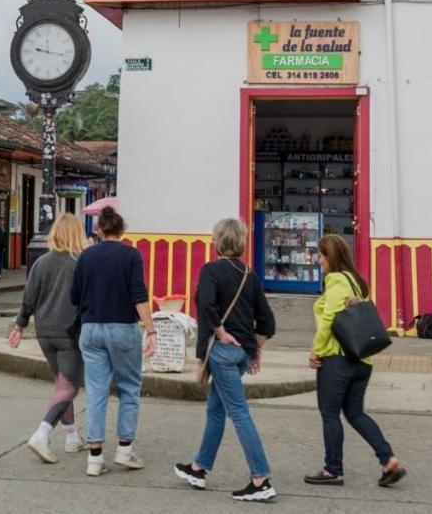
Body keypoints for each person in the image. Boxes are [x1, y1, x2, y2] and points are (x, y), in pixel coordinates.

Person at [175, 218, 277, 503]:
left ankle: (261, 478)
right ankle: (199, 468)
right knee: (216, 410)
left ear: (217, 241)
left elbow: (206, 305)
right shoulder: (249, 273)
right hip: (243, 352)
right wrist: (256, 350)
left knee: (239, 412)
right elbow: (267, 321)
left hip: (222, 353)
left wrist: (220, 331)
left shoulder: (210, 271)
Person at [306, 234, 405, 488]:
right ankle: (388, 459)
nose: (319, 260)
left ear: (331, 257)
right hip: (363, 359)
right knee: (355, 413)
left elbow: (329, 320)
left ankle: (332, 470)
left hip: (338, 359)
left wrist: (316, 351)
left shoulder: (336, 280)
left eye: (322, 255)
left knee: (329, 413)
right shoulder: (357, 282)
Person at [70, 205, 156, 476]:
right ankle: (124, 451)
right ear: (122, 230)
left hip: (91, 328)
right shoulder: (131, 255)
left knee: (96, 391)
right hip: (122, 328)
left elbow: (74, 296)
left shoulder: (85, 257)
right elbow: (138, 294)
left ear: (98, 230)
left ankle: (95, 459)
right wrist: (151, 329)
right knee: (129, 387)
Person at [10, 214, 87, 463]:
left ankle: (72, 436)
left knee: (61, 385)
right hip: (69, 333)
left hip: (44, 332)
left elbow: (29, 297)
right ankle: (42, 434)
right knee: (70, 387)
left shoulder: (40, 263)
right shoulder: (79, 264)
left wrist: (19, 325)